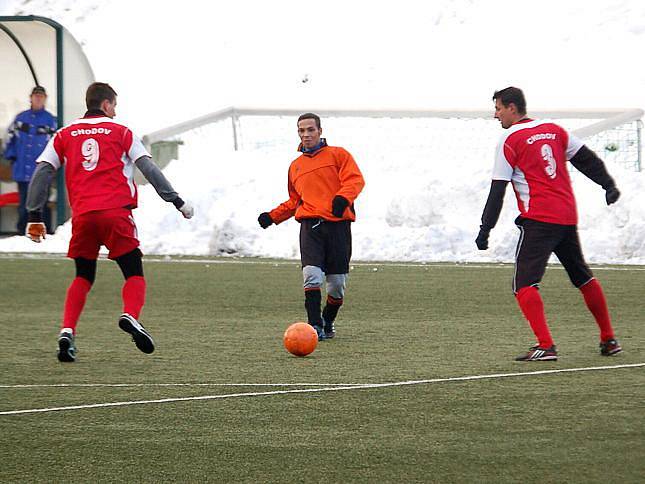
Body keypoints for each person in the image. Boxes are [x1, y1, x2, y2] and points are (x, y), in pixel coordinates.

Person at [25, 82, 194, 362]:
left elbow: (43, 171)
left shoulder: (64, 134)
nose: (115, 112)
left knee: (83, 275)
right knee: (134, 272)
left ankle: (67, 331)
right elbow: (148, 168)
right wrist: (177, 201)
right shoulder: (122, 132)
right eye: (114, 105)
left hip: (83, 217)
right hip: (116, 214)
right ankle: (131, 315)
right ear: (105, 104)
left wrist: (34, 215)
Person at [476, 86, 622, 361]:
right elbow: (585, 159)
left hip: (539, 220)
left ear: (512, 107)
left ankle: (545, 345)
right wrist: (608, 185)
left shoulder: (509, 139)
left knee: (524, 284)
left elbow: (498, 189)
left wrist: (485, 229)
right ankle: (609, 339)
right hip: (566, 216)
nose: (495, 115)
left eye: (498, 108)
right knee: (582, 277)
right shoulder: (554, 130)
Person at [258, 113, 365, 340]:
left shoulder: (339, 155)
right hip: (310, 227)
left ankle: (328, 321)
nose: (306, 134)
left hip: (338, 228)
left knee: (336, 286)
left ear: (320, 131)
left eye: (310, 130)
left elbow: (355, 180)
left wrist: (342, 199)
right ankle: (314, 326)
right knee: (311, 275)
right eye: (301, 130)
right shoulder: (295, 167)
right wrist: (272, 216)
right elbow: (295, 201)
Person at [4, 86, 56, 234]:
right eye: (36, 96)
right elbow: (9, 138)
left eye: (41, 96)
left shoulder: (50, 121)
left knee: (42, 203)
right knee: (24, 204)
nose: (38, 99)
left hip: (41, 170)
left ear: (45, 99)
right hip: (22, 170)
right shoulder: (21, 118)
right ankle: (22, 233)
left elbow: (56, 143)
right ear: (30, 98)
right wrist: (11, 156)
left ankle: (45, 232)